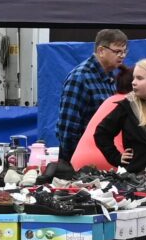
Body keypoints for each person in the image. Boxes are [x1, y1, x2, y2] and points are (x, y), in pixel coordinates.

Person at [54, 29, 129, 159]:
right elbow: (68, 128)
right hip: (80, 161)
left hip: (102, 156)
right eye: (117, 51)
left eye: (124, 52)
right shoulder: (80, 78)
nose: (122, 56)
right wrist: (72, 162)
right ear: (101, 51)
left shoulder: (110, 77)